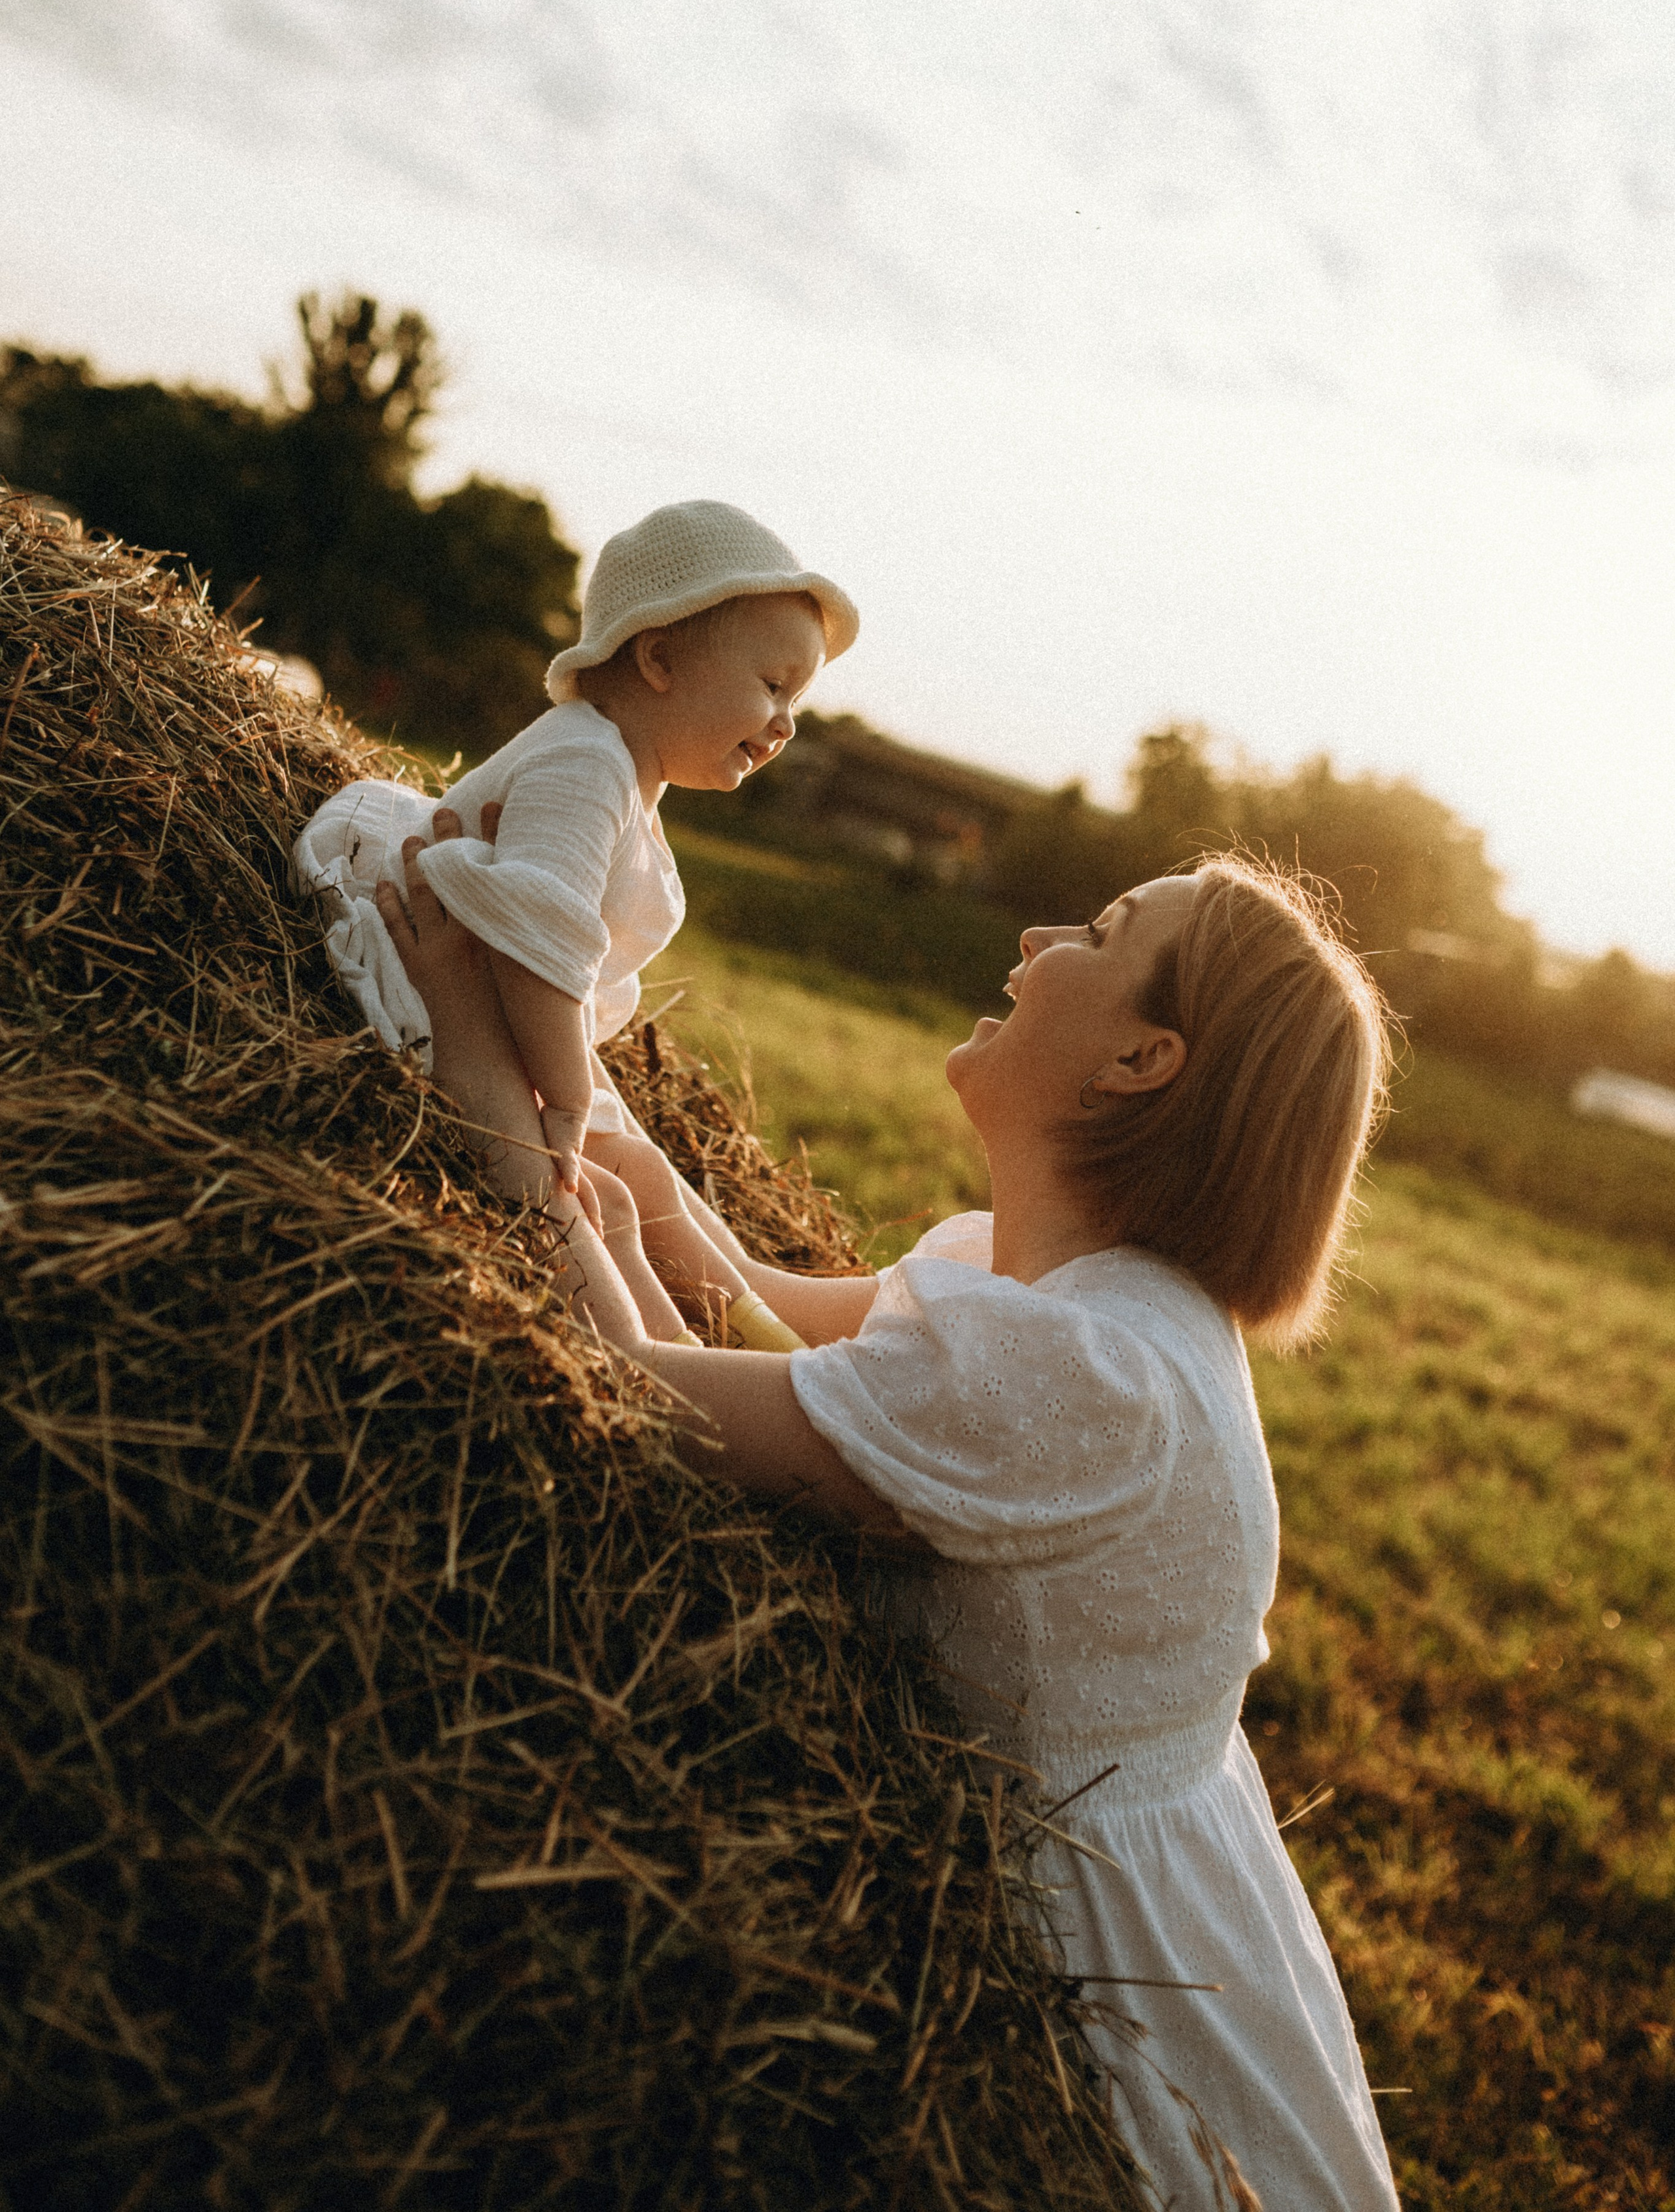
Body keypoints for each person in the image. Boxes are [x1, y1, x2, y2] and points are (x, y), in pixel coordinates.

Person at [376, 837, 1402, 2212]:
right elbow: (761, 1301)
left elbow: (629, 1388)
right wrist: (590, 1089)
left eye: (1098, 930)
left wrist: (477, 1057)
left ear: (1142, 1063)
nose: (1039, 938)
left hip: (1093, 1960)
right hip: (1158, 1859)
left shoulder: (1086, 1381)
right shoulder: (1065, 1291)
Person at [294, 499, 858, 1350]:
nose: (785, 723)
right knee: (559, 1180)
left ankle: (750, 1303)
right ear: (660, 658)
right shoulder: (587, 764)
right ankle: (660, 1357)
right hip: (437, 977)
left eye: (798, 700)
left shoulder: (623, 771)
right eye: (773, 686)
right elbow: (537, 941)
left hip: (504, 996)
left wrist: (578, 1088)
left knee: (633, 1160)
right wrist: (565, 1096)